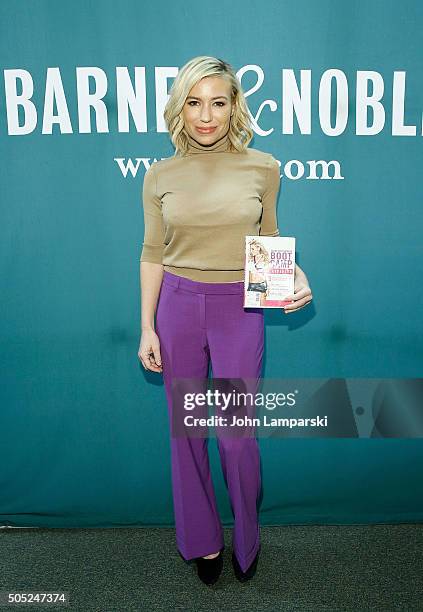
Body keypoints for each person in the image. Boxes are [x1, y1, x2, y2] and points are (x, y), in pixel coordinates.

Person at [138, 56, 312, 586]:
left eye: (218, 102)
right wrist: (147, 326)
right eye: (194, 103)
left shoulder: (263, 166)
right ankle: (203, 542)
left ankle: (247, 537)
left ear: (234, 106)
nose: (206, 116)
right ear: (180, 109)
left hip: (240, 307)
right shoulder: (159, 174)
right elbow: (152, 252)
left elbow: (270, 240)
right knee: (188, 432)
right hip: (178, 304)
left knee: (237, 435)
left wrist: (296, 276)